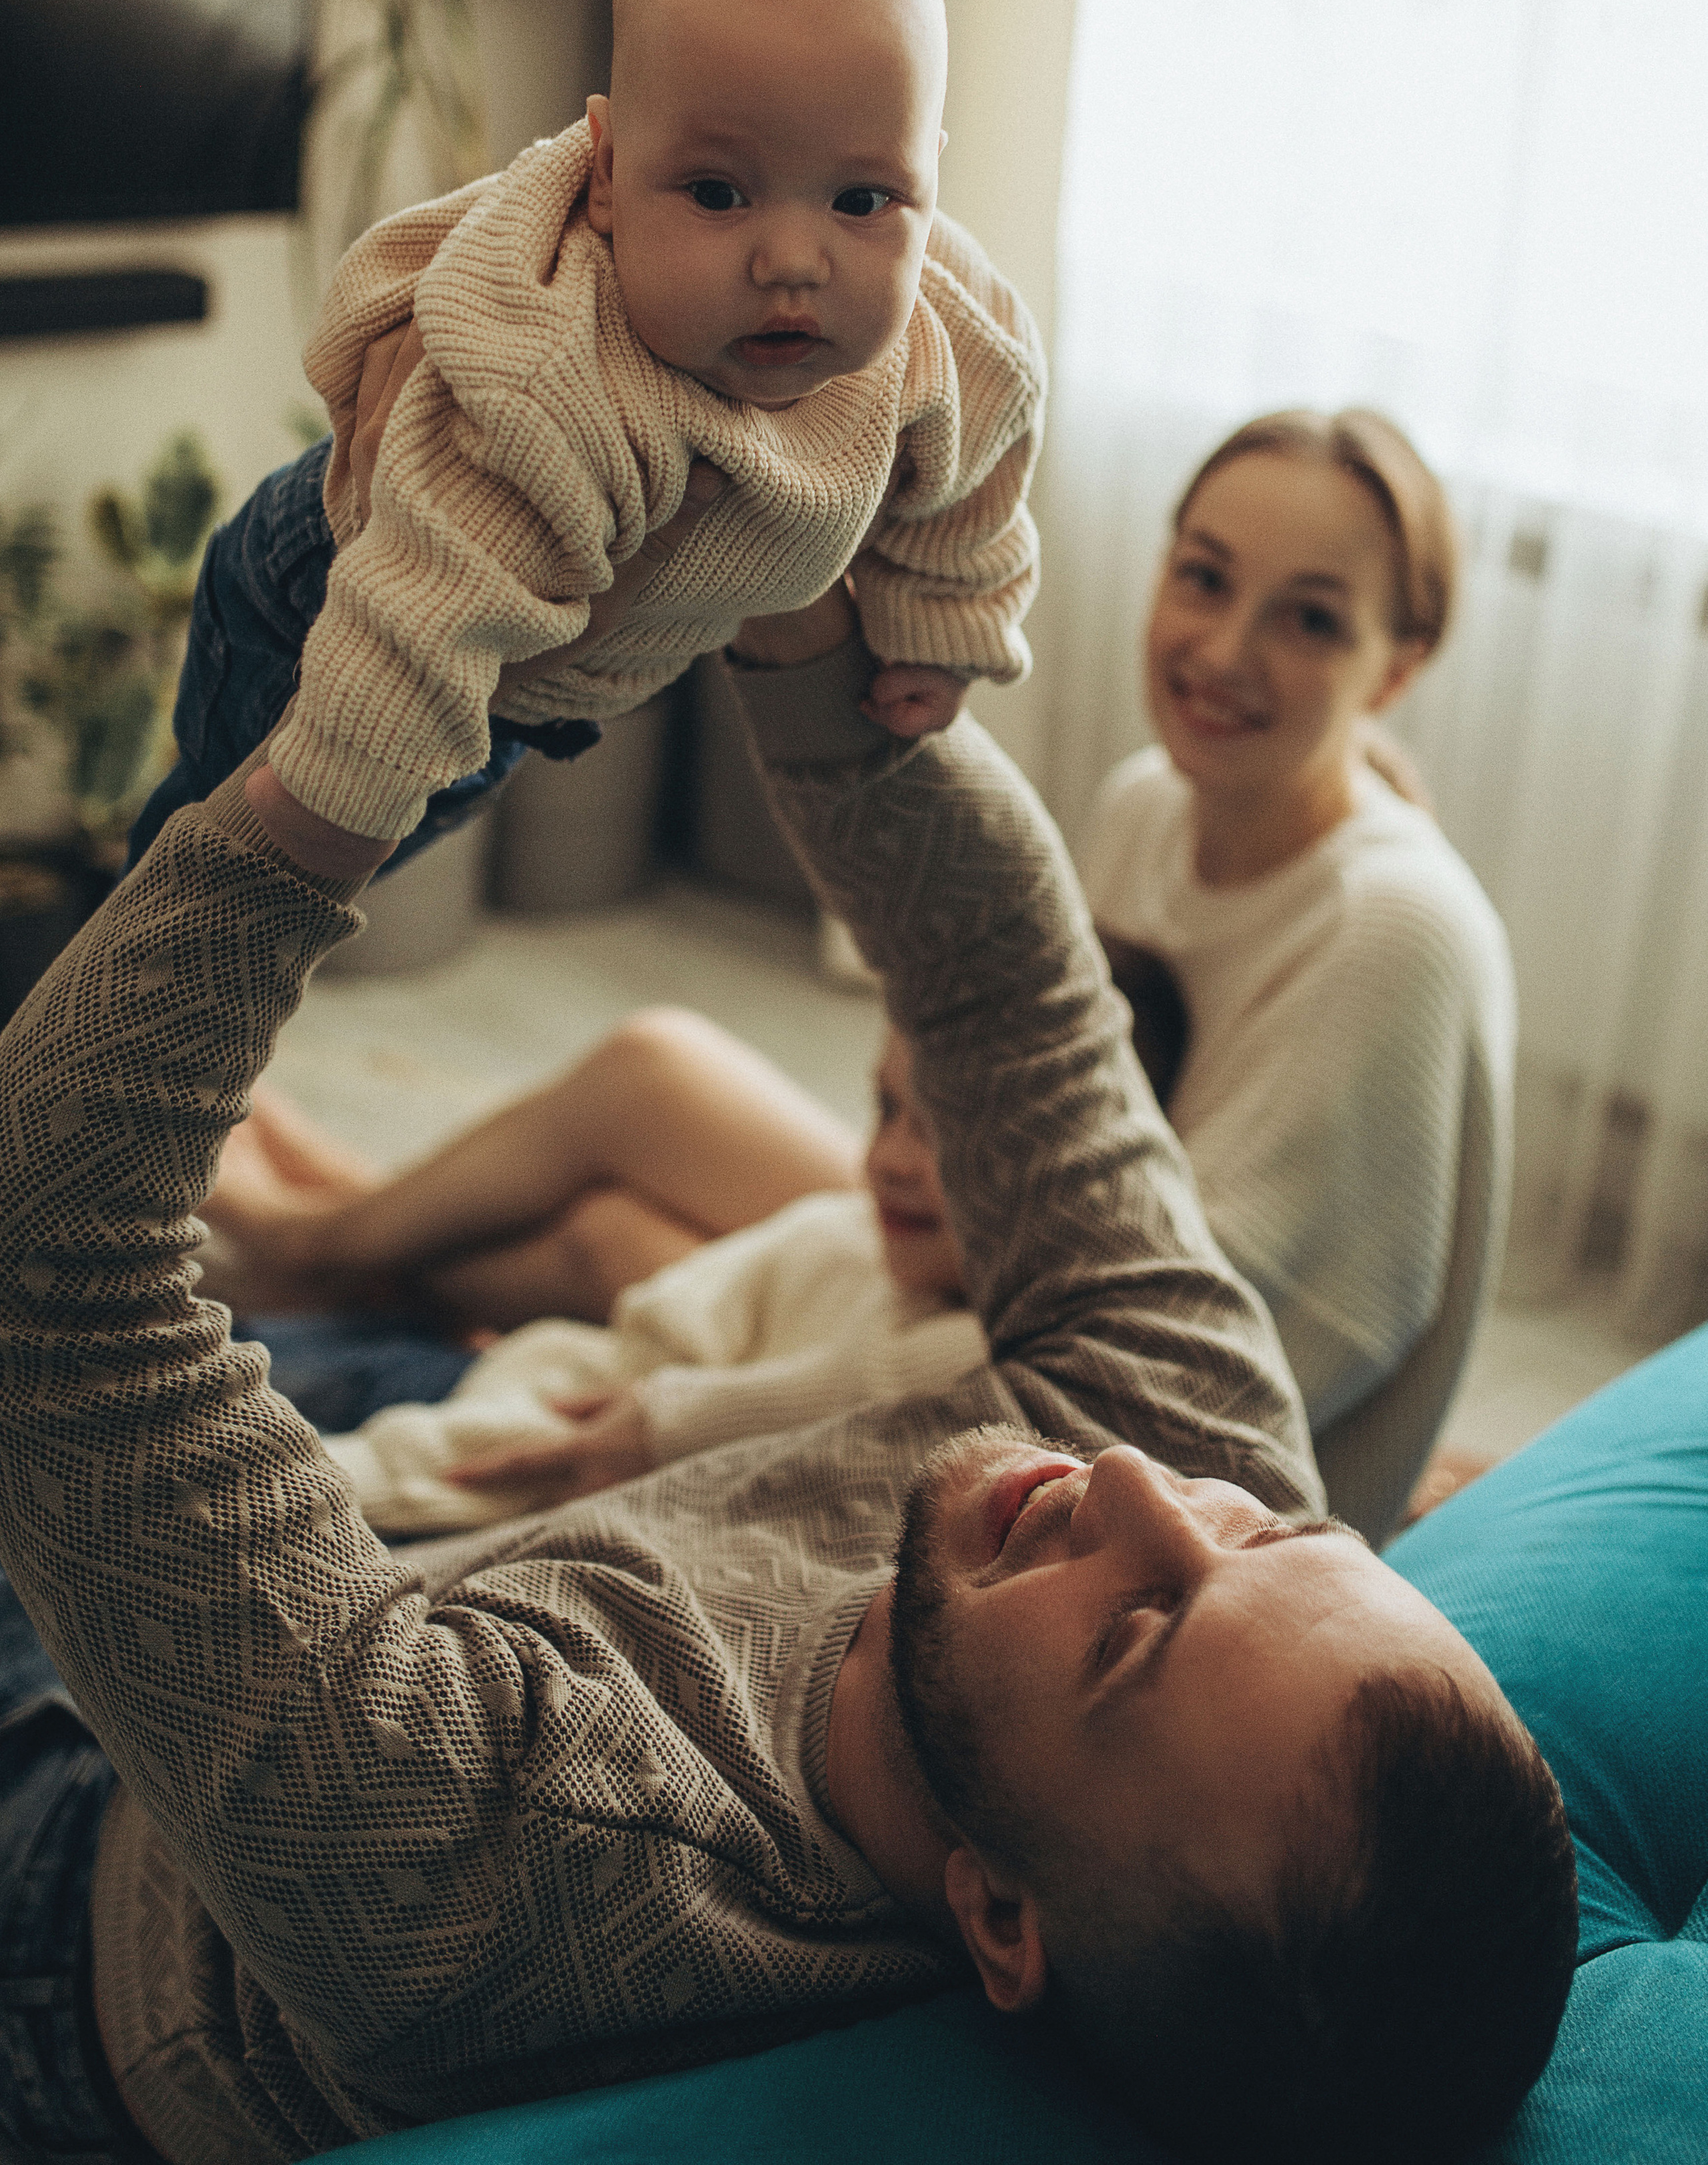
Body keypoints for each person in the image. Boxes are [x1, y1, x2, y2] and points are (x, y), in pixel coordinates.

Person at [0, 576, 1575, 2165]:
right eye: (1270, 1533)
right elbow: (1011, 1006)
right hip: (416, 1579)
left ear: (1000, 1917)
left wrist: (332, 785)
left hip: (76, 1876)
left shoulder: (530, 1860)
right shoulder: (1200, 1457)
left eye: (1133, 1630)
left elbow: (54, 1272)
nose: (1124, 1483)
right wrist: (805, 615)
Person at [127, 0, 1046, 879]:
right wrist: (326, 819)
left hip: (534, 691)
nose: (793, 259)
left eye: (864, 200)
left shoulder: (953, 328)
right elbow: (417, 618)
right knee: (214, 848)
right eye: (716, 191)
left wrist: (942, 619)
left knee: (410, 829)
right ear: (605, 175)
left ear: (928, 176)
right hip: (332, 606)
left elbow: (984, 462)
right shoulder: (553, 374)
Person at [1081, 410, 1515, 1540]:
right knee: (649, 1100)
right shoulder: (1144, 805)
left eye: (1311, 620)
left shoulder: (1392, 931)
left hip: (1183, 1510)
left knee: (633, 1182)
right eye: (1205, 579)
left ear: (1396, 670)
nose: (1223, 653)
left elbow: (1184, 1377)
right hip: (1045, 1290)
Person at [250, 1029, 989, 1538]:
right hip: (526, 1389)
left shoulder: (958, 1362)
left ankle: (312, 1239)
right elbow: (633, 1359)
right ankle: (329, 1232)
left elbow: (581, 1443)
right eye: (886, 1110)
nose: (887, 1159)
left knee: (624, 1177)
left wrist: (284, 1493)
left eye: (942, 1131)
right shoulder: (839, 1235)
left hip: (478, 1451)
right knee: (610, 1231)